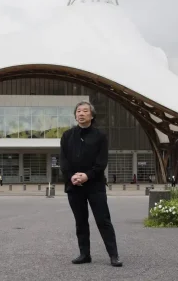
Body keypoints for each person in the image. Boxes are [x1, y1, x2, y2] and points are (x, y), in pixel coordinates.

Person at [60, 101, 122, 267]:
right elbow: (63, 161)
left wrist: (87, 175)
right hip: (74, 185)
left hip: (95, 185)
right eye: (78, 111)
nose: (81, 113)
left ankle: (114, 255)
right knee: (81, 221)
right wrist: (72, 177)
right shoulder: (67, 136)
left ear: (91, 115)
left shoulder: (100, 136)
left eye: (85, 111)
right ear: (75, 115)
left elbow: (101, 162)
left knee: (103, 220)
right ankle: (84, 254)